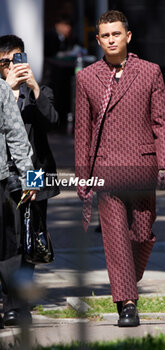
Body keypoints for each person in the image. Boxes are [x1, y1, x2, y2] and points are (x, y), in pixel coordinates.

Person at [75, 10, 165, 327]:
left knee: (143, 236)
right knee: (116, 239)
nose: (112, 39)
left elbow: (162, 121)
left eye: (116, 34)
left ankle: (128, 280)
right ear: (99, 40)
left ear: (128, 36)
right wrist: (82, 174)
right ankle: (127, 304)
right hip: (106, 170)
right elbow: (82, 131)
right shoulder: (86, 77)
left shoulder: (150, 72)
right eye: (105, 35)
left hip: (143, 167)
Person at [0, 35, 60, 326]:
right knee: (7, 241)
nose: (14, 65)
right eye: (6, 62)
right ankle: (10, 298)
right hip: (3, 176)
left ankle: (18, 304)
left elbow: (52, 121)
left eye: (18, 59)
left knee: (27, 239)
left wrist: (34, 88)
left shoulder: (39, 92)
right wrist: (8, 91)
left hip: (32, 171)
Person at [0, 78, 36, 328]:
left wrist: (30, 178)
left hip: (1, 178)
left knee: (8, 245)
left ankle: (13, 306)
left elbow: (17, 134)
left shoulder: (1, 88)